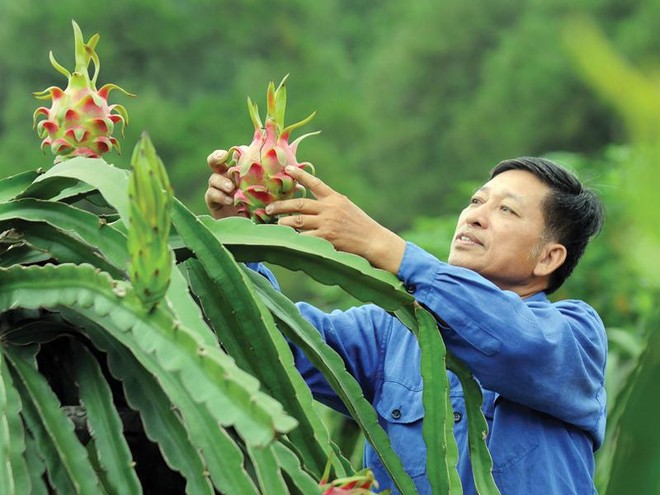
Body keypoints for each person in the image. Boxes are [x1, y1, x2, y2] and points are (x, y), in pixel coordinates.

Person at [205, 153, 607, 494]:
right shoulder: (390, 332)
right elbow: (274, 344)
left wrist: (381, 244)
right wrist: (235, 238)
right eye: (476, 201)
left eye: (506, 209)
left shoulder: (575, 336)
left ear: (548, 258)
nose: (475, 217)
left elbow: (513, 343)